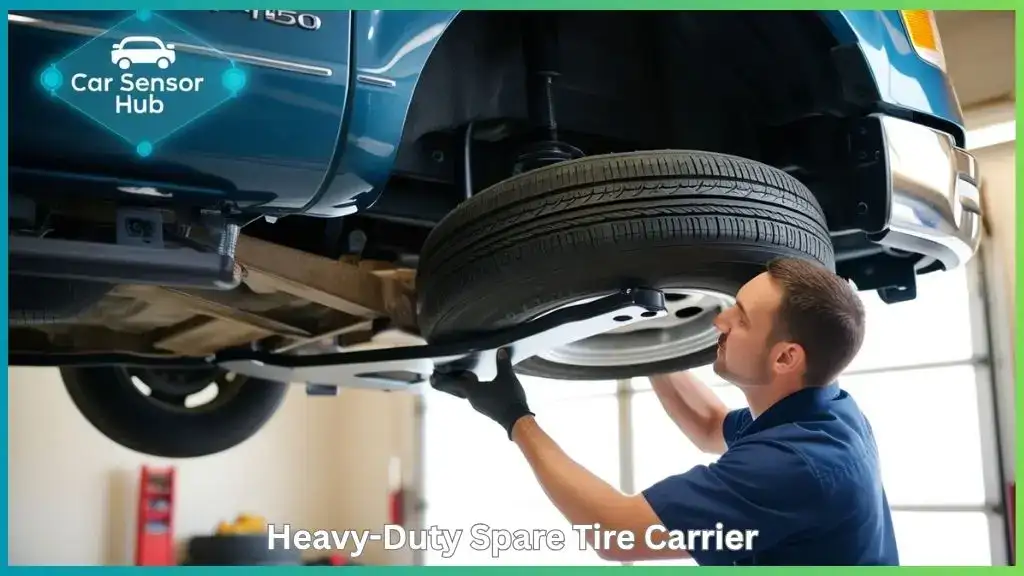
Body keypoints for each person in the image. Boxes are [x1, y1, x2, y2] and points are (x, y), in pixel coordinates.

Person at [430, 257, 899, 565]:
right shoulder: (826, 410)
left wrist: (514, 417)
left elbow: (614, 532)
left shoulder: (797, 466)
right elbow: (711, 424)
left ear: (785, 358)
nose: (718, 320)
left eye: (740, 318)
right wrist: (650, 340)